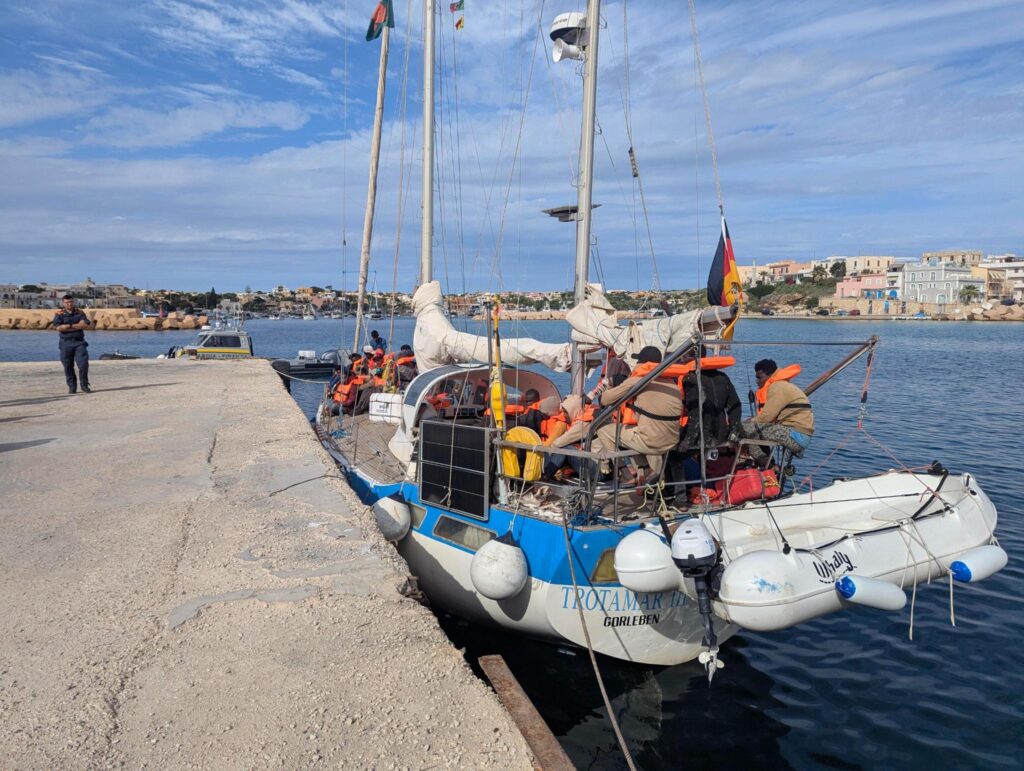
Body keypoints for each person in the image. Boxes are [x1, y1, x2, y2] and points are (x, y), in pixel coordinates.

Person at [596, 346, 682, 481]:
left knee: (603, 429)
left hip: (652, 442)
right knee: (631, 430)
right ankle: (647, 471)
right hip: (672, 441)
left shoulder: (639, 380)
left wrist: (605, 392)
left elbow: (605, 400)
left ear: (642, 363)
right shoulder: (671, 383)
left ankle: (624, 472)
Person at [741, 358, 814, 463]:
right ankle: (768, 463)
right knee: (754, 429)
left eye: (760, 377)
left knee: (742, 428)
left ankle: (764, 462)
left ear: (769, 375)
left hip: (794, 435)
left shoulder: (777, 387)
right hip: (800, 435)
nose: (757, 381)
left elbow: (766, 417)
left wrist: (749, 421)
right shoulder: (784, 385)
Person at [53, 295, 92, 394]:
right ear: (63, 303)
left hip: (79, 342)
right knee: (68, 366)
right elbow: (59, 328)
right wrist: (77, 326)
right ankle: (72, 386)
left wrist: (68, 326)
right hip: (65, 342)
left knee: (83, 364)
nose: (69, 304)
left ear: (73, 302)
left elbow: (85, 325)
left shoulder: (79, 312)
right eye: (67, 302)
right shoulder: (59, 314)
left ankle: (84, 385)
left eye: (70, 302)